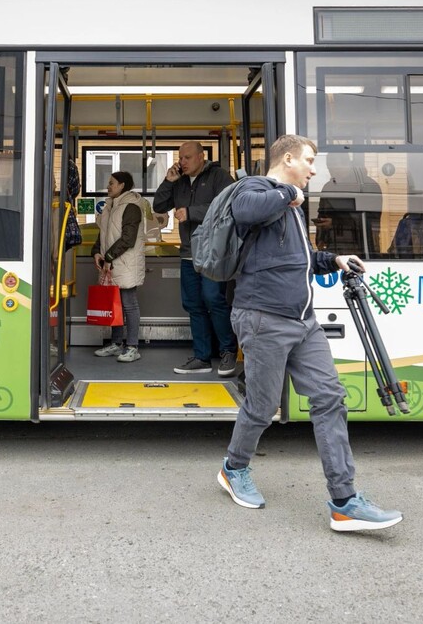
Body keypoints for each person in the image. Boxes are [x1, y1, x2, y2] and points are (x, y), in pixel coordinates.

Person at [217, 134, 402, 532]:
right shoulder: (257, 188)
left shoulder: (291, 203)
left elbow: (295, 260)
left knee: (330, 398)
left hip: (303, 321)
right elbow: (246, 210)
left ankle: (344, 501)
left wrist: (332, 259)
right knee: (263, 407)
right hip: (263, 318)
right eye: (309, 161)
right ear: (287, 159)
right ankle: (234, 468)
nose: (314, 170)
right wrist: (288, 194)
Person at [152, 141, 237, 376]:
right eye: (180, 157)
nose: (182, 162)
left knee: (214, 300)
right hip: (188, 252)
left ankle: (228, 351)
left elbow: (230, 206)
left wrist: (192, 212)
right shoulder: (178, 181)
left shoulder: (218, 176)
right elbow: (159, 205)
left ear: (201, 157)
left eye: (187, 157)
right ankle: (202, 357)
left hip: (213, 252)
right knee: (193, 305)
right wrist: (167, 182)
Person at [91, 171, 147, 363]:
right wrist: (96, 251)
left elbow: (128, 239)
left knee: (129, 304)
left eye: (111, 183)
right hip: (112, 262)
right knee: (114, 305)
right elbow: (103, 232)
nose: (108, 186)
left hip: (125, 262)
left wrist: (108, 256)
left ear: (122, 185)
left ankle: (132, 347)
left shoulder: (131, 206)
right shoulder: (109, 206)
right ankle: (116, 344)